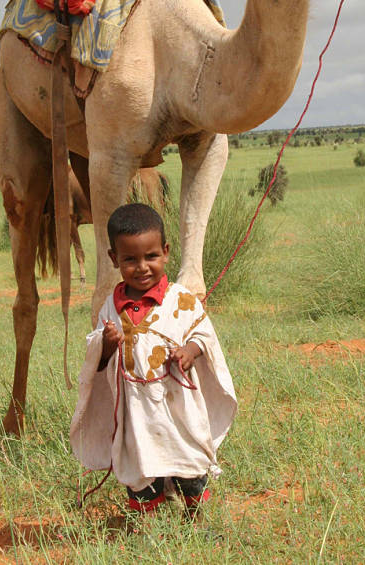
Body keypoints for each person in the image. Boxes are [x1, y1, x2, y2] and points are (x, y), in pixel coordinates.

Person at [70, 202, 237, 515]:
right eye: (130, 259)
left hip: (178, 404)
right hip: (135, 410)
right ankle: (150, 526)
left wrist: (189, 351)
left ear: (166, 252)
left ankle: (197, 517)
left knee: (187, 455)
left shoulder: (180, 299)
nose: (142, 267)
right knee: (140, 461)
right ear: (113, 259)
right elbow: (99, 360)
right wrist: (106, 344)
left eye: (151, 256)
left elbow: (204, 335)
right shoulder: (111, 306)